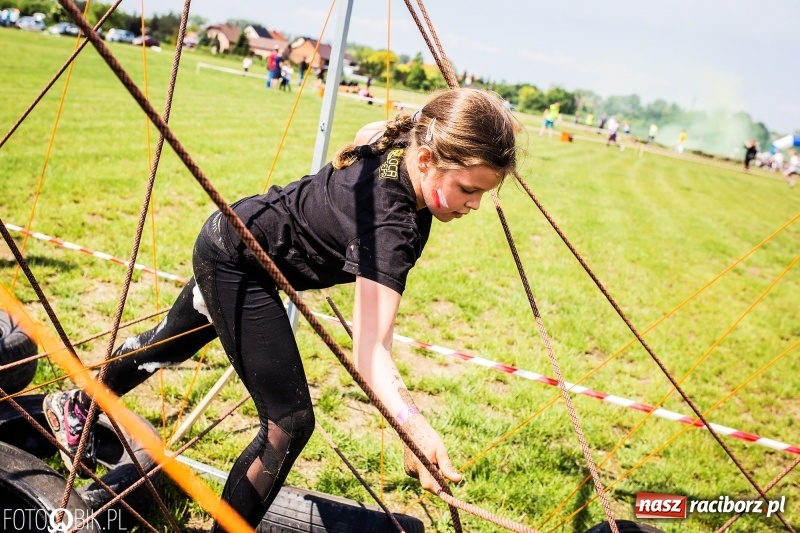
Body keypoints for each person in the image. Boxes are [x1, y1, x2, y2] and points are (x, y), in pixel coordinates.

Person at [42, 88, 521, 532]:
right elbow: (370, 352)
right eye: (467, 189)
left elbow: (367, 132)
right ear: (425, 159)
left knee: (168, 344)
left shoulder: (398, 142)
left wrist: (429, 118)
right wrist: (413, 428)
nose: (475, 205)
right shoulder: (388, 227)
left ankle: (75, 402)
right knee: (289, 422)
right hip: (238, 260)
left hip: (238, 235)